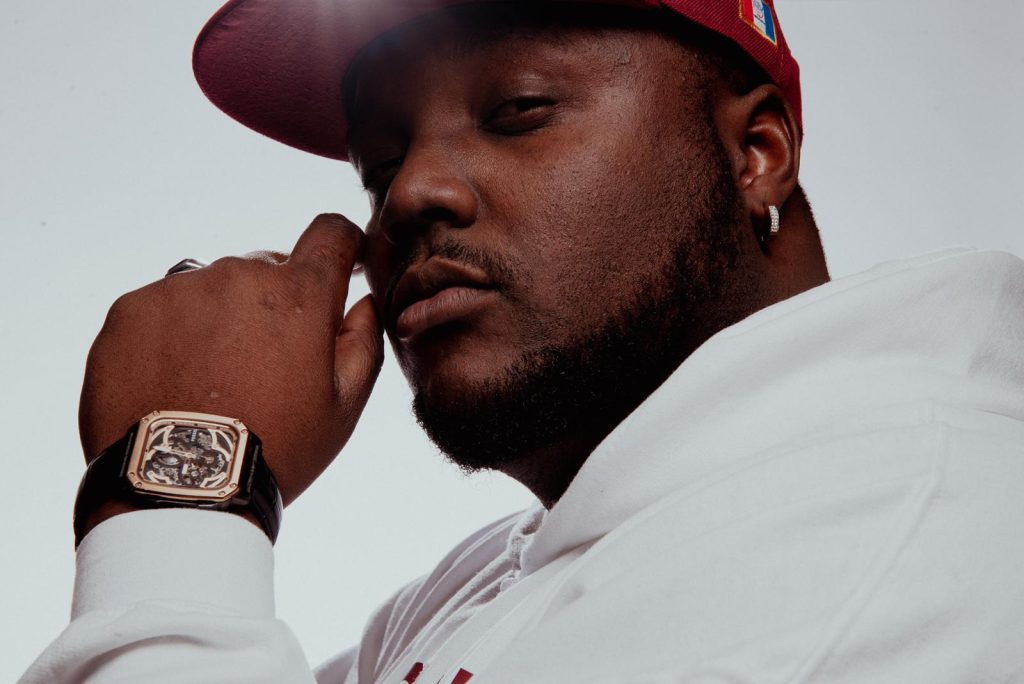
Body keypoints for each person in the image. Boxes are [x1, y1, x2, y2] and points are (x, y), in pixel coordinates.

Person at [23, 1, 1024, 682]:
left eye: (517, 111)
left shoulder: (895, 550)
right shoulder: (478, 585)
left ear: (754, 152)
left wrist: (180, 492)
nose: (411, 194)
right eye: (379, 165)